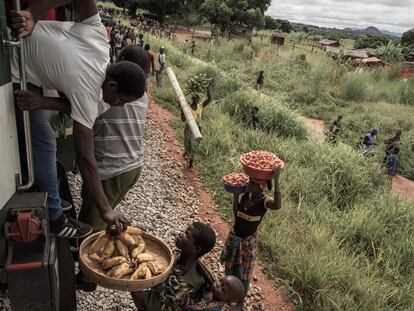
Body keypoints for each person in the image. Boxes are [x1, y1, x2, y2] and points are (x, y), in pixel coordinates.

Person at [10, 0, 146, 237]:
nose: (119, 106)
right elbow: (85, 157)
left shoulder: (101, 45)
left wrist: (43, 102)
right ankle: (54, 217)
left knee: (41, 141)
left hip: (28, 65)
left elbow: (73, 104)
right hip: (14, 65)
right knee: (44, 143)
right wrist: (105, 209)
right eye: (121, 101)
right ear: (112, 86)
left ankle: (46, 191)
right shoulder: (88, 91)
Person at [221, 166, 282, 292]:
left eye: (252, 183)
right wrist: (236, 196)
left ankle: (240, 299)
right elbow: (236, 214)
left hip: (247, 243)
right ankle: (228, 290)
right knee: (230, 267)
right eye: (249, 181)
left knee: (244, 273)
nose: (248, 185)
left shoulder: (264, 201)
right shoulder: (245, 196)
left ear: (260, 187)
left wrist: (276, 180)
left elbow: (277, 205)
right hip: (235, 237)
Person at [131, 222, 217, 311]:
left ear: (197, 249)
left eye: (187, 236)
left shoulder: (182, 285)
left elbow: (142, 303)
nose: (180, 234)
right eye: (184, 232)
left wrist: (133, 274)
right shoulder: (178, 255)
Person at [182, 87, 212, 169]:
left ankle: (190, 160)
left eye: (197, 98)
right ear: (192, 99)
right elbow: (183, 119)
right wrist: (182, 109)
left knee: (194, 145)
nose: (196, 99)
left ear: (199, 99)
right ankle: (188, 155)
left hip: (198, 128)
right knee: (189, 143)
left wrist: (208, 89)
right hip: (189, 128)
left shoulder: (200, 106)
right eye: (194, 98)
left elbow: (209, 99)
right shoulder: (188, 108)